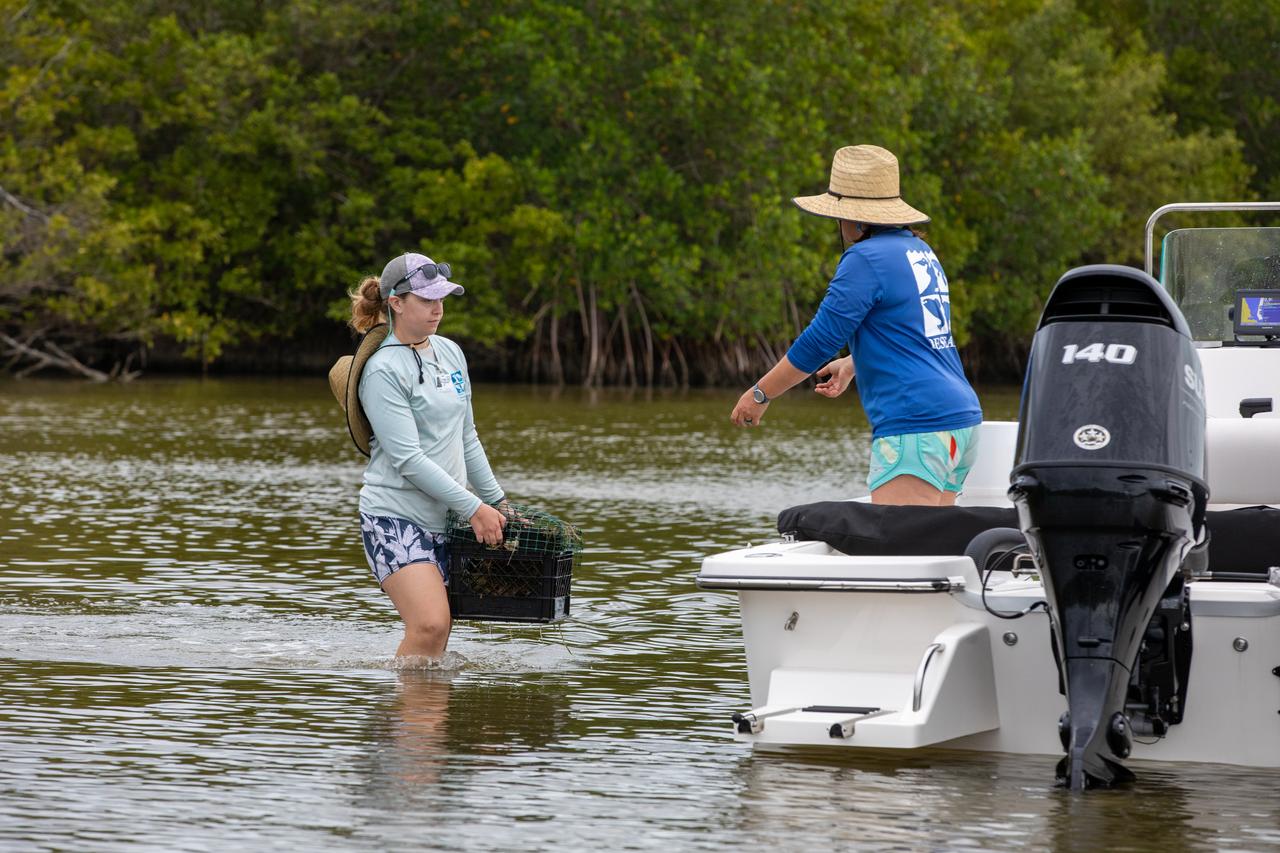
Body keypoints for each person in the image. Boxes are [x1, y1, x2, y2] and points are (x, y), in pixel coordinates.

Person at [729, 145, 983, 506]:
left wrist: (760, 394)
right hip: (960, 422)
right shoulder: (919, 252)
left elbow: (818, 341)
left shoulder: (865, 258)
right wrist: (852, 364)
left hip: (916, 425)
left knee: (899, 554)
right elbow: (918, 334)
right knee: (931, 551)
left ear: (859, 219)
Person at [339, 252, 507, 661]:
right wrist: (474, 509)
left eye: (441, 299)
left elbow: (467, 436)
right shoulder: (381, 371)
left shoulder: (451, 353)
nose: (437, 309)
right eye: (426, 299)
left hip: (447, 518)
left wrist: (497, 502)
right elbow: (408, 460)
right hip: (393, 515)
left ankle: (422, 722)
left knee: (440, 632)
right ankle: (401, 721)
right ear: (396, 302)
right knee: (429, 623)